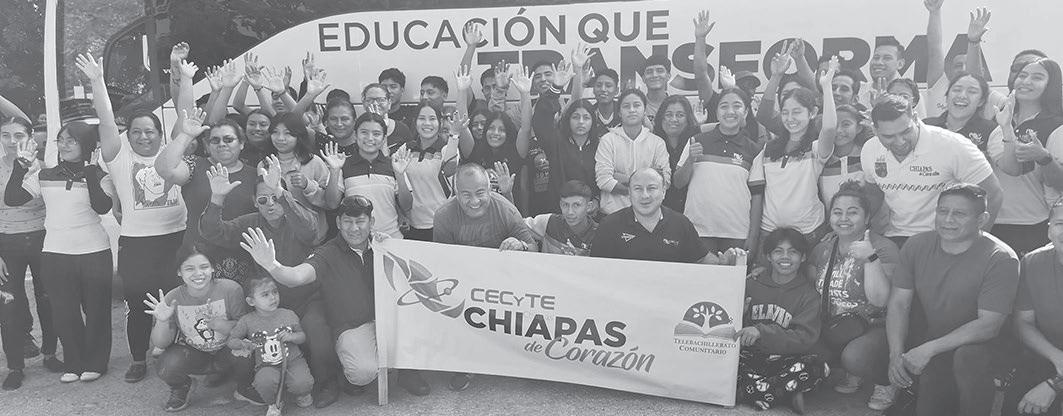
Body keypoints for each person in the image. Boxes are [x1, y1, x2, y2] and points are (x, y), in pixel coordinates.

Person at [78, 53, 189, 383]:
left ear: (160, 133)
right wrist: (97, 81)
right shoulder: (118, 155)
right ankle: (139, 358)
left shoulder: (172, 150)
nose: (143, 137)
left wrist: (183, 76)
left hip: (177, 239)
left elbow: (186, 117)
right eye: (136, 132)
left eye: (150, 131)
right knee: (139, 304)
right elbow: (106, 120)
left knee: (179, 302)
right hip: (137, 244)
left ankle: (180, 353)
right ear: (128, 135)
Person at [198, 161, 343, 407]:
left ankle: (327, 382)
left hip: (307, 299)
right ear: (255, 202)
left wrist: (281, 193)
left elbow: (310, 230)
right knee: (246, 338)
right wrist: (217, 198)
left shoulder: (297, 216)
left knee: (317, 332)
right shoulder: (250, 222)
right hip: (269, 303)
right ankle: (257, 384)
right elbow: (213, 232)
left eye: (275, 197)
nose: (270, 204)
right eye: (263, 200)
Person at [240, 196, 409, 396]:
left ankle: (410, 373)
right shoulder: (328, 253)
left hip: (388, 320)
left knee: (415, 323)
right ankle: (358, 362)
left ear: (371, 222)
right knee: (363, 373)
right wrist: (272, 265)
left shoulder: (384, 245)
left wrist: (391, 246)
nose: (354, 228)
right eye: (347, 221)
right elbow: (296, 277)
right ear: (338, 223)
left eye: (360, 221)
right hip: (353, 326)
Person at [886, 183, 1019, 416]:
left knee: (968, 358)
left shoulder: (1001, 258)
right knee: (866, 357)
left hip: (980, 347)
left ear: (981, 219)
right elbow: (899, 303)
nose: (948, 220)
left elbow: (988, 326)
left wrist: (929, 349)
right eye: (943, 211)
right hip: (934, 341)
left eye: (959, 214)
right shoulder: (917, 245)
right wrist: (895, 354)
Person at [3, 120, 100, 387]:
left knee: (53, 301)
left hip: (48, 240)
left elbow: (61, 207)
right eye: (6, 135)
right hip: (13, 243)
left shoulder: (46, 169)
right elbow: (11, 199)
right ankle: (18, 366)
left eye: (19, 135)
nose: (12, 141)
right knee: (12, 305)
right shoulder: (8, 168)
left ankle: (54, 355)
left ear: (31, 138)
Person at [860, 94, 1002, 247]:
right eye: (889, 137)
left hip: (944, 240)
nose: (900, 141)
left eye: (906, 132)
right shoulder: (870, 149)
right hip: (894, 238)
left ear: (915, 118)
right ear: (874, 130)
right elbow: (873, 194)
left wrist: (972, 243)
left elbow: (993, 194)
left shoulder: (953, 145)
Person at [156, 74, 258, 284]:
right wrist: (185, 135)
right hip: (198, 262)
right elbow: (165, 170)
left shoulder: (255, 173)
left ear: (241, 144)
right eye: (215, 140)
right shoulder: (195, 165)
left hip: (245, 261)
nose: (222, 144)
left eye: (228, 139)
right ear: (207, 145)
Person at [811, 181, 900, 410]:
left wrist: (871, 259)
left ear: (867, 217)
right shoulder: (823, 249)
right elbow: (805, 285)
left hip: (875, 327)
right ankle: (852, 372)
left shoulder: (883, 248)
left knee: (855, 357)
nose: (844, 218)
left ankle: (886, 380)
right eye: (837, 212)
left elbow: (880, 300)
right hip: (838, 326)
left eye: (852, 212)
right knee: (806, 347)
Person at [144, 247, 249, 412]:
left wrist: (221, 325)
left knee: (248, 350)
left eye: (204, 267)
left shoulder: (231, 289)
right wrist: (162, 321)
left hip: (228, 350)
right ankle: (181, 386)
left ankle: (245, 385)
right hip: (194, 353)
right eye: (189, 268)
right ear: (179, 272)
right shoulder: (173, 298)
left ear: (213, 268)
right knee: (166, 365)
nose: (198, 273)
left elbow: (246, 328)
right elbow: (160, 343)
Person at [749, 63, 839, 252]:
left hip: (809, 233)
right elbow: (757, 196)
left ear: (812, 113)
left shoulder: (815, 148)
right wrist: (753, 237)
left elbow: (830, 128)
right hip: (769, 233)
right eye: (785, 112)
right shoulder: (768, 150)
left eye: (797, 112)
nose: (790, 118)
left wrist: (827, 87)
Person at [736, 228, 827, 413]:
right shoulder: (751, 284)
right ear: (768, 256)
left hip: (786, 359)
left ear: (803, 257)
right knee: (728, 363)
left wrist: (762, 332)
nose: (785, 257)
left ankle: (754, 392)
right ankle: (785, 393)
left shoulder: (809, 295)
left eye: (792, 252)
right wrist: (740, 314)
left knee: (817, 366)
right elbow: (731, 326)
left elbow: (804, 338)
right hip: (751, 356)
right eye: (778, 251)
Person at [674, 88, 762, 253]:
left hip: (737, 232)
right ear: (716, 111)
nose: (730, 111)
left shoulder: (754, 150)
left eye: (737, 106)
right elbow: (678, 183)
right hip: (698, 231)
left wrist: (753, 236)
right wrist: (690, 160)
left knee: (734, 271)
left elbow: (757, 197)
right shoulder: (696, 141)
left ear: (746, 112)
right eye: (724, 106)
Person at [591, 168, 738, 265]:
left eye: (652, 188)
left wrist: (722, 263)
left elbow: (701, 259)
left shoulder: (681, 223)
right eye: (637, 189)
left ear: (663, 192)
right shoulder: (609, 225)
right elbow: (596, 270)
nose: (645, 195)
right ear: (629, 193)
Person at [993, 58, 1063, 255]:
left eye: (1037, 77)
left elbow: (1060, 182)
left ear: (1050, 85)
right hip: (991, 220)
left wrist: (1044, 158)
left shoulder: (1057, 126)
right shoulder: (997, 117)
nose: (1026, 81)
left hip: (1033, 224)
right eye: (1022, 75)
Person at [1002, 199, 1063, 415]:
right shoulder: (1033, 262)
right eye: (1060, 224)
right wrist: (1058, 358)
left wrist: (1055, 384)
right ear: (1049, 230)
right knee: (1020, 404)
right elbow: (1023, 323)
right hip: (1050, 353)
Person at [227, 276, 314, 412]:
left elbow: (302, 336)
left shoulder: (288, 314)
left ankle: (302, 393)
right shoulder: (247, 321)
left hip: (293, 361)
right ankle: (274, 402)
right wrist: (244, 344)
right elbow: (231, 341)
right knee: (264, 383)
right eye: (265, 294)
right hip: (266, 365)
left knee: (302, 383)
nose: (273, 297)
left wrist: (291, 336)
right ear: (251, 301)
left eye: (275, 292)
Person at [326, 113, 413, 238]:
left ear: (384, 138)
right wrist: (334, 171)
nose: (370, 138)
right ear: (355, 135)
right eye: (364, 132)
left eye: (376, 134)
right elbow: (331, 204)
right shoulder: (342, 164)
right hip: (355, 238)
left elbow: (407, 206)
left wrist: (399, 175)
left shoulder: (395, 165)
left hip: (391, 238)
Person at [594, 89, 671, 215]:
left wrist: (622, 178)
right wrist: (645, 184)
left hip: (649, 214)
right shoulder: (607, 140)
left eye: (636, 105)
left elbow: (665, 181)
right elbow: (604, 181)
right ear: (619, 112)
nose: (632, 110)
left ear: (644, 111)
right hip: (613, 213)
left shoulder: (657, 143)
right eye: (626, 106)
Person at [397, 102, 460, 242]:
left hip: (441, 224)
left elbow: (450, 170)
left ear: (440, 122)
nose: (427, 123)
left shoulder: (447, 148)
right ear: (415, 122)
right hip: (412, 226)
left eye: (432, 119)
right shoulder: (405, 149)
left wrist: (454, 135)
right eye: (422, 118)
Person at [523, 180, 598, 256]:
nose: (570, 212)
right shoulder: (548, 222)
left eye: (576, 205)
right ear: (560, 204)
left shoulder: (599, 233)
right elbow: (518, 224)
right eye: (565, 205)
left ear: (589, 207)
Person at [652, 95, 700, 212]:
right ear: (661, 117)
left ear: (688, 119)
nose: (674, 119)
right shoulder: (653, 143)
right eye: (668, 115)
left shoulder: (695, 142)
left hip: (691, 209)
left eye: (680, 115)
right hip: (659, 209)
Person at [361, 83, 412, 154]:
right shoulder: (357, 128)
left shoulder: (402, 129)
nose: (375, 103)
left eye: (381, 100)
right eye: (370, 100)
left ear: (389, 103)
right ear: (364, 103)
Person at [640, 55, 671, 125]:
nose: (654, 75)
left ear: (668, 76)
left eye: (660, 71)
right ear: (643, 78)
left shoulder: (677, 106)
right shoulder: (637, 106)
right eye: (649, 72)